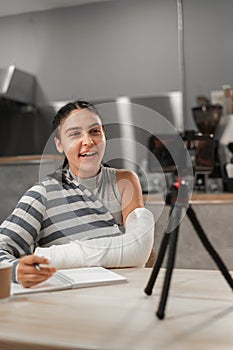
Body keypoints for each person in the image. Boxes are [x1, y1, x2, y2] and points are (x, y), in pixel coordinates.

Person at [0, 100, 155, 288]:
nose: (88, 141)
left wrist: (49, 257)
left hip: (125, 295)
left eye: (95, 131)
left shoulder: (124, 181)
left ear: (104, 135)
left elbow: (138, 248)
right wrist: (16, 270)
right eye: (74, 134)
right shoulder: (42, 194)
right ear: (59, 144)